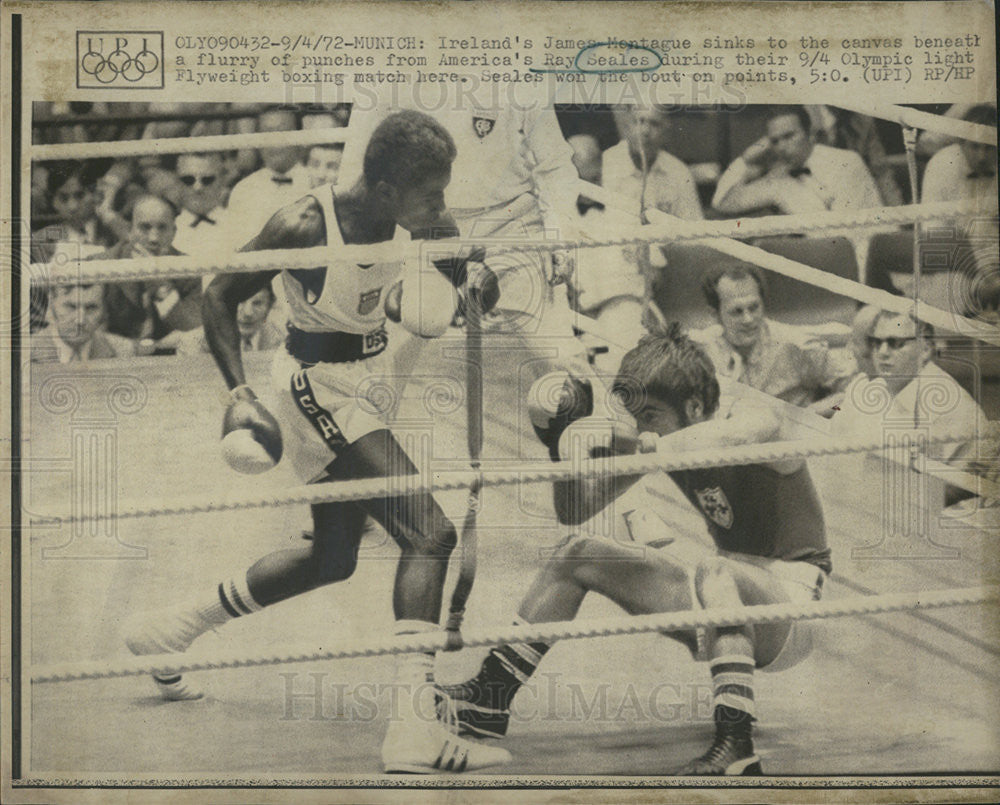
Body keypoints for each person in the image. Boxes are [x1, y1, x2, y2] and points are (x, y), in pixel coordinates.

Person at [123, 110, 510, 775]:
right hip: (313, 387)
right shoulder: (304, 223)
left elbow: (480, 288)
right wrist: (236, 394)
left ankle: (169, 629)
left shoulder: (425, 219)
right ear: (386, 190)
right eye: (430, 194)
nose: (441, 207)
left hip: (369, 379)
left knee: (332, 559)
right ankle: (412, 731)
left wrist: (476, 284)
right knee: (429, 532)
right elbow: (218, 297)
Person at [442, 324, 831, 775]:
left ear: (695, 406)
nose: (642, 426)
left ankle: (736, 746)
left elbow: (730, 439)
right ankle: (489, 699)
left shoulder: (758, 417)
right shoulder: (663, 439)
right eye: (637, 417)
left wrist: (634, 442)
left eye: (651, 416)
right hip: (723, 601)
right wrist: (561, 449)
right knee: (579, 552)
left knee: (713, 570)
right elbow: (576, 509)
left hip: (791, 607)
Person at [572, 106, 704, 373]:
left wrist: (633, 282)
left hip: (627, 307)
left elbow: (659, 268)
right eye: (579, 179)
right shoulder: (556, 222)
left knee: (621, 353)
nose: (590, 185)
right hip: (578, 317)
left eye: (595, 178)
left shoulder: (629, 210)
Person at [712, 105, 884, 266]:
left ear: (810, 134)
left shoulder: (846, 163)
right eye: (775, 141)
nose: (782, 147)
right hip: (824, 265)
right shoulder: (778, 178)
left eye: (789, 136)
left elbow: (849, 240)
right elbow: (722, 202)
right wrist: (745, 159)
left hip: (869, 264)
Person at [689, 258, 855, 406]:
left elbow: (853, 389)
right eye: (737, 312)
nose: (748, 319)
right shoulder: (700, 352)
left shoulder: (796, 344)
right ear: (714, 314)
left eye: (754, 308)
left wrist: (810, 414)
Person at [99, 195, 202, 342]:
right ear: (130, 230)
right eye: (145, 227)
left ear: (174, 232)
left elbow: (194, 331)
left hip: (172, 360)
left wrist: (159, 283)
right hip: (118, 359)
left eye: (162, 228)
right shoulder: (103, 264)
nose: (154, 238)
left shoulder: (189, 269)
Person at [32, 281, 137, 363]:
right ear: (51, 304)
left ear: (104, 310)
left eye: (91, 308)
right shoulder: (25, 353)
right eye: (71, 307)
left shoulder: (123, 351)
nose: (80, 321)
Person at [175, 285, 283, 355]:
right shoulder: (194, 344)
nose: (248, 313)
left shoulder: (282, 342)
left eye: (258, 303)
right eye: (238, 301)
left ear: (270, 305)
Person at [170, 152, 229, 259]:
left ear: (222, 181)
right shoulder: (165, 227)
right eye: (188, 180)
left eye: (207, 180)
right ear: (177, 182)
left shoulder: (240, 224)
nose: (198, 187)